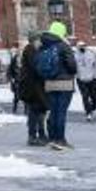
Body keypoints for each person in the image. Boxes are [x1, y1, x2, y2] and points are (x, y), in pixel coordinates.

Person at [38, 22, 78, 151]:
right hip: (64, 83)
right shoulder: (63, 46)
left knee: (53, 112)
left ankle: (53, 138)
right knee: (61, 112)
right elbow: (72, 66)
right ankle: (60, 140)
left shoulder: (43, 46)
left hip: (49, 83)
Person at [17, 32, 48, 146]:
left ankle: (40, 134)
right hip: (32, 87)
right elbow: (36, 67)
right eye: (39, 40)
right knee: (35, 112)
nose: (40, 42)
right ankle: (34, 136)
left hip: (34, 86)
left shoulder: (32, 50)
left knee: (38, 111)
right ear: (34, 40)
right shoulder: (30, 50)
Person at [75, 42, 96, 122]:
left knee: (95, 97)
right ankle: (88, 113)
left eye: (83, 46)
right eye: (80, 46)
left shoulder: (91, 54)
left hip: (92, 78)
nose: (82, 47)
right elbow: (73, 67)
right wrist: (77, 76)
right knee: (85, 96)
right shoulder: (75, 56)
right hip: (81, 79)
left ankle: (93, 108)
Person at [6, 50, 22, 115]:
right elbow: (9, 72)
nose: (19, 61)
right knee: (17, 96)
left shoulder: (25, 63)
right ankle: (14, 109)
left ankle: (26, 111)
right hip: (16, 81)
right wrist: (11, 79)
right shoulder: (13, 64)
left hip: (24, 82)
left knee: (26, 96)